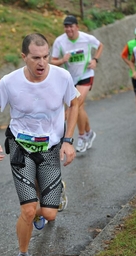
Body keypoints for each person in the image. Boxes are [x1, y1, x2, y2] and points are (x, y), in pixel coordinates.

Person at [0, 33, 79, 256]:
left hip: (50, 148)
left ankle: (47, 201)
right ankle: (23, 255)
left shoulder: (62, 77)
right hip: (20, 147)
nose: (42, 63)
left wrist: (68, 140)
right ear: (24, 56)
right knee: (28, 210)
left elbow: (75, 103)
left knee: (48, 214)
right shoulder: (9, 82)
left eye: (46, 57)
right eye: (36, 57)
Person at [51, 15, 103, 153]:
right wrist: (63, 60)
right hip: (70, 79)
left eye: (71, 26)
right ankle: (89, 132)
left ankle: (81, 137)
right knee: (79, 107)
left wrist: (95, 60)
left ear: (77, 27)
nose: (68, 29)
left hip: (86, 75)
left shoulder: (86, 38)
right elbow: (52, 61)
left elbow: (100, 46)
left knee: (77, 102)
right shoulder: (60, 41)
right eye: (66, 27)